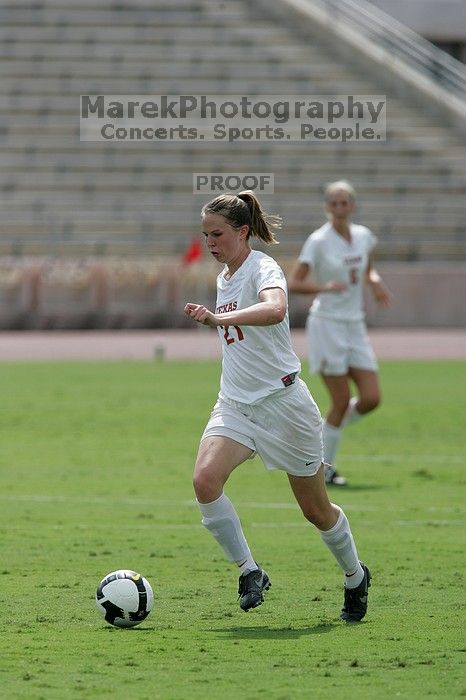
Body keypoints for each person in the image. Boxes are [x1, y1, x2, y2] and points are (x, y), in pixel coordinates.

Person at [184, 190, 371, 621]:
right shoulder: (225, 277)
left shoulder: (262, 267)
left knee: (316, 511)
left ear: (243, 231)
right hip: (235, 403)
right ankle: (250, 571)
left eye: (218, 234)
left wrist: (218, 318)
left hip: (284, 405)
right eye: (205, 234)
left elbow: (275, 310)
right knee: (204, 481)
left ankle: (354, 575)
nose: (210, 242)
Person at [288, 180, 392, 486]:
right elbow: (295, 282)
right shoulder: (318, 241)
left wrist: (374, 281)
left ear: (353, 206)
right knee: (341, 398)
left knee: (371, 398)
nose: (339, 208)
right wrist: (324, 287)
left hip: (354, 323)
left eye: (344, 202)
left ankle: (324, 434)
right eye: (333, 203)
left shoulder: (362, 236)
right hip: (327, 323)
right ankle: (326, 467)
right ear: (326, 207)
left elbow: (367, 266)